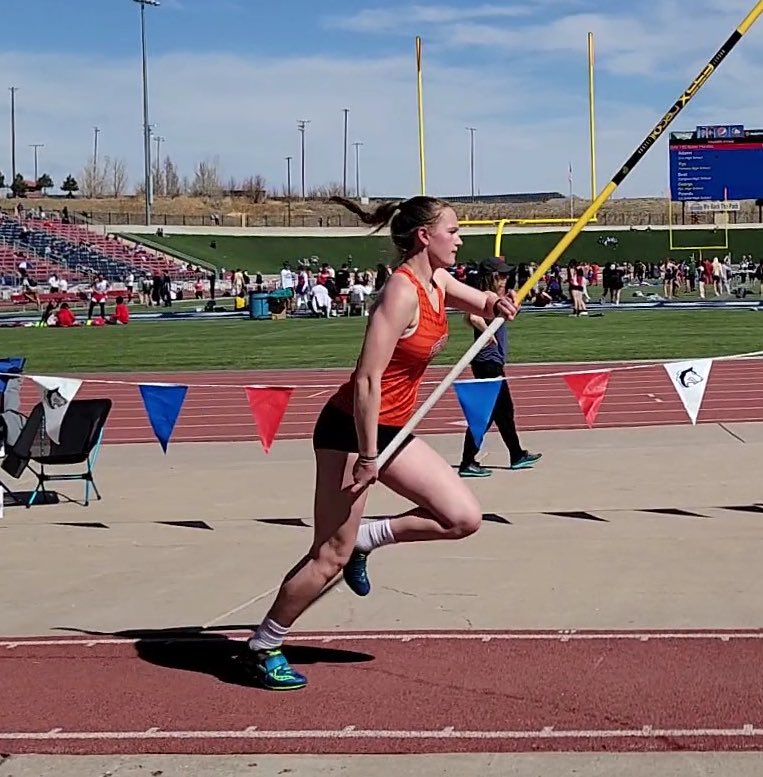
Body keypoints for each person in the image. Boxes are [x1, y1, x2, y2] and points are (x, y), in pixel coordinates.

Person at [242, 195, 520, 691]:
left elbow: (474, 299)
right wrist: (368, 456)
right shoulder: (402, 292)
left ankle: (370, 538)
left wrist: (496, 303)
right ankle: (264, 643)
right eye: (452, 231)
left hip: (391, 428)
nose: (460, 240)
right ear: (424, 237)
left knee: (462, 518)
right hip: (352, 431)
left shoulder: (436, 281)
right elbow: (367, 380)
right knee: (329, 555)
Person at [458, 257, 542, 478]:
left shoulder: (497, 297)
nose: (505, 279)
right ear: (492, 277)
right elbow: (472, 317)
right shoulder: (486, 296)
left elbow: (509, 315)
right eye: (502, 275)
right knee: (487, 414)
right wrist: (488, 334)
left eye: (506, 275)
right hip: (487, 362)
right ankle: (468, 461)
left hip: (492, 361)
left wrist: (514, 301)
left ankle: (516, 454)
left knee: (503, 413)